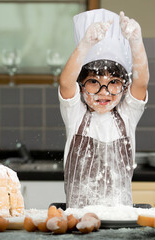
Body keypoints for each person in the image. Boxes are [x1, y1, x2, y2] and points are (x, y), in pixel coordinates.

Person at [59, 9, 149, 208]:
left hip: (121, 221)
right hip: (79, 220)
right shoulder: (75, 115)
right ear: (80, 85)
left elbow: (141, 83)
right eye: (93, 81)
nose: (104, 92)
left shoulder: (127, 116)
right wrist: (85, 45)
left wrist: (136, 42)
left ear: (125, 87)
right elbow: (65, 82)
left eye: (114, 82)